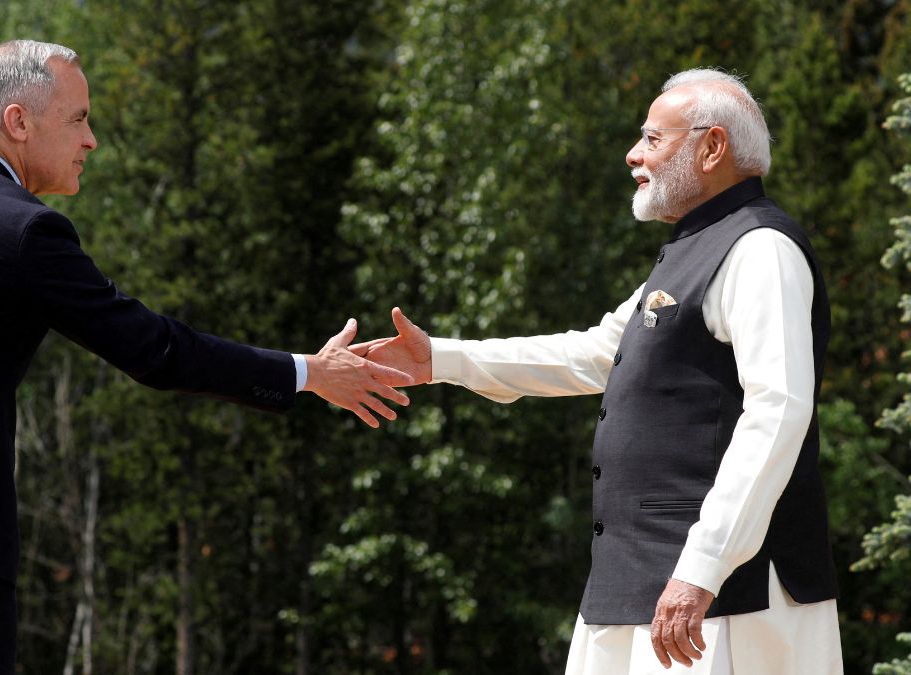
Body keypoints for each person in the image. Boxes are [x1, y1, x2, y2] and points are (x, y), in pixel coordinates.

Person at [0, 39, 412, 674]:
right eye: (79, 118)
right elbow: (156, 350)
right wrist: (306, 372)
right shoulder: (22, 227)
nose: (92, 141)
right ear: (19, 122)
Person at [358, 69, 843, 674]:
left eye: (653, 139)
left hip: (723, 600)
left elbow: (779, 409)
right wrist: (441, 360)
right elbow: (594, 354)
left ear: (713, 147)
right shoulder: (697, 250)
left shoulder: (760, 249)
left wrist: (702, 569)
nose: (633, 154)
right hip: (645, 587)